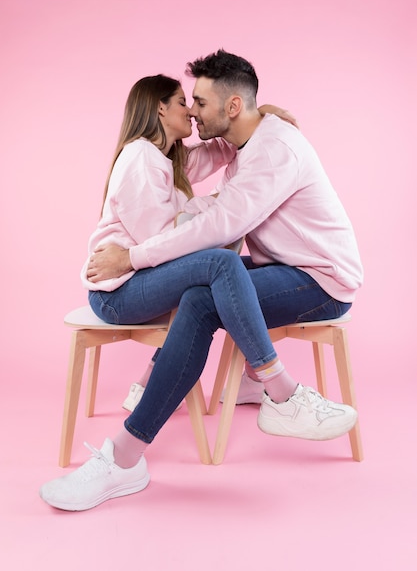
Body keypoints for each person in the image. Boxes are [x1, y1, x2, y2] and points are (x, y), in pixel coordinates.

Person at [40, 55, 361, 512]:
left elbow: (224, 221)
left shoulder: (274, 151)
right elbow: (213, 203)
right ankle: (140, 449)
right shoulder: (239, 143)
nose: (193, 111)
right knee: (204, 287)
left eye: (200, 102)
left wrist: (132, 256)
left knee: (213, 279)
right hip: (281, 267)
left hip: (319, 281)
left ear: (231, 107)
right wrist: (260, 112)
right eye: (187, 102)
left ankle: (278, 394)